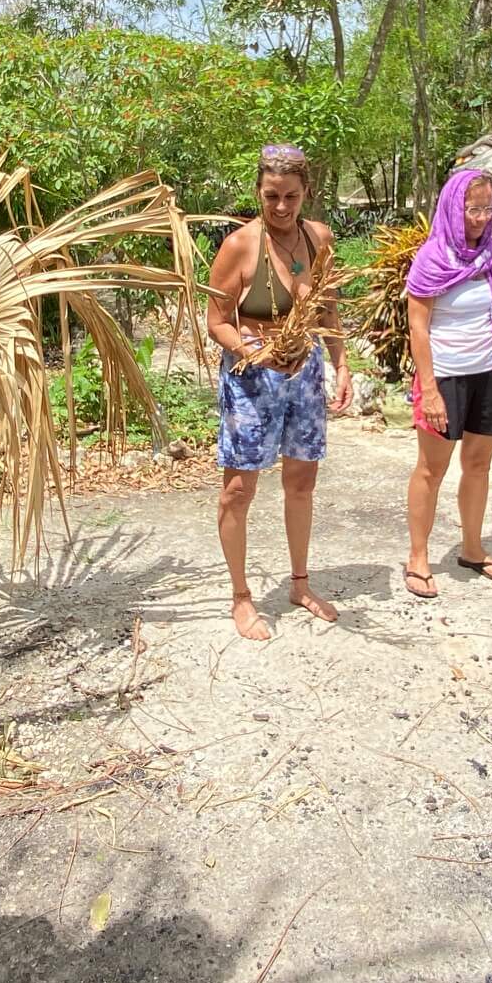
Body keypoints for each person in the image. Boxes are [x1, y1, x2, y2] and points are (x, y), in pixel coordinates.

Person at [205, 144, 352, 639]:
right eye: (272, 196)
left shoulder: (319, 239)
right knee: (238, 490)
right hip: (251, 377)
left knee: (302, 482)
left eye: (291, 196)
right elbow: (216, 321)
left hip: (304, 372)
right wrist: (254, 351)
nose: (282, 207)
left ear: (307, 192)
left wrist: (341, 364)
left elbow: (327, 307)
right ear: (259, 192)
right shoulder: (239, 246)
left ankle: (300, 583)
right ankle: (241, 597)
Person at [403, 168, 492, 599]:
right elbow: (418, 329)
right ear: (454, 207)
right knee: (431, 469)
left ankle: (472, 549)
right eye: (471, 208)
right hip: (446, 376)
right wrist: (430, 389)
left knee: (478, 464)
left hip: (488, 373)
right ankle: (418, 558)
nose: (480, 217)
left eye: (487, 207)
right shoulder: (432, 258)